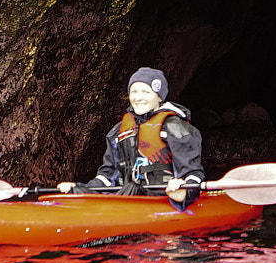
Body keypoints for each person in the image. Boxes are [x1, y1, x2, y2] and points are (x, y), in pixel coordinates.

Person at [59, 67, 205, 207]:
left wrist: (184, 188)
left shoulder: (175, 128)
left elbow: (194, 173)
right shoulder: (117, 131)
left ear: (158, 97)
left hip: (163, 196)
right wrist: (79, 188)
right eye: (134, 92)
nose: (138, 98)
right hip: (126, 196)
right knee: (77, 191)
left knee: (133, 188)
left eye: (146, 92)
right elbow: (107, 177)